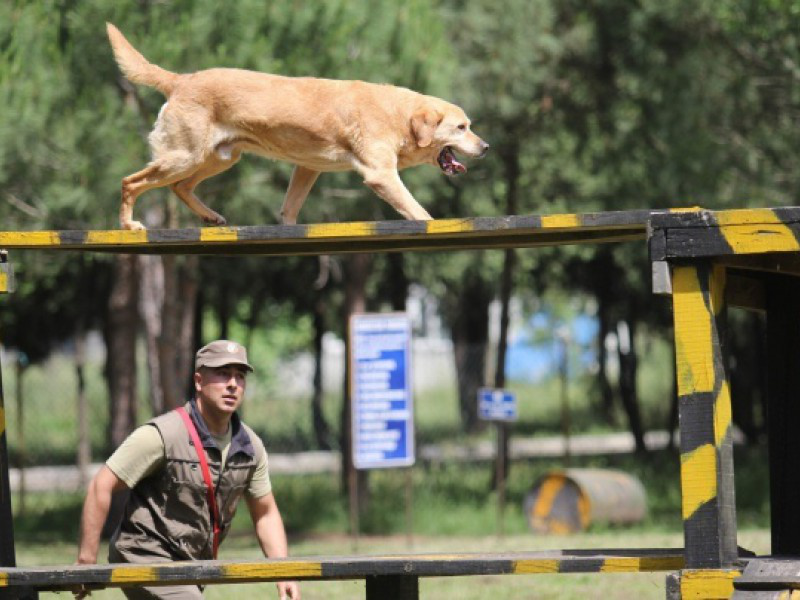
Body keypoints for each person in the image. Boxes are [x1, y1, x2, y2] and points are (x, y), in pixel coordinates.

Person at [76, 340, 300, 600]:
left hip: (190, 564)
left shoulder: (250, 446)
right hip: (143, 554)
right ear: (198, 381)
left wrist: (284, 572)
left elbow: (265, 512)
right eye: (222, 373)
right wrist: (86, 561)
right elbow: (101, 485)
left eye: (240, 377)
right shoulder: (164, 434)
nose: (232, 384)